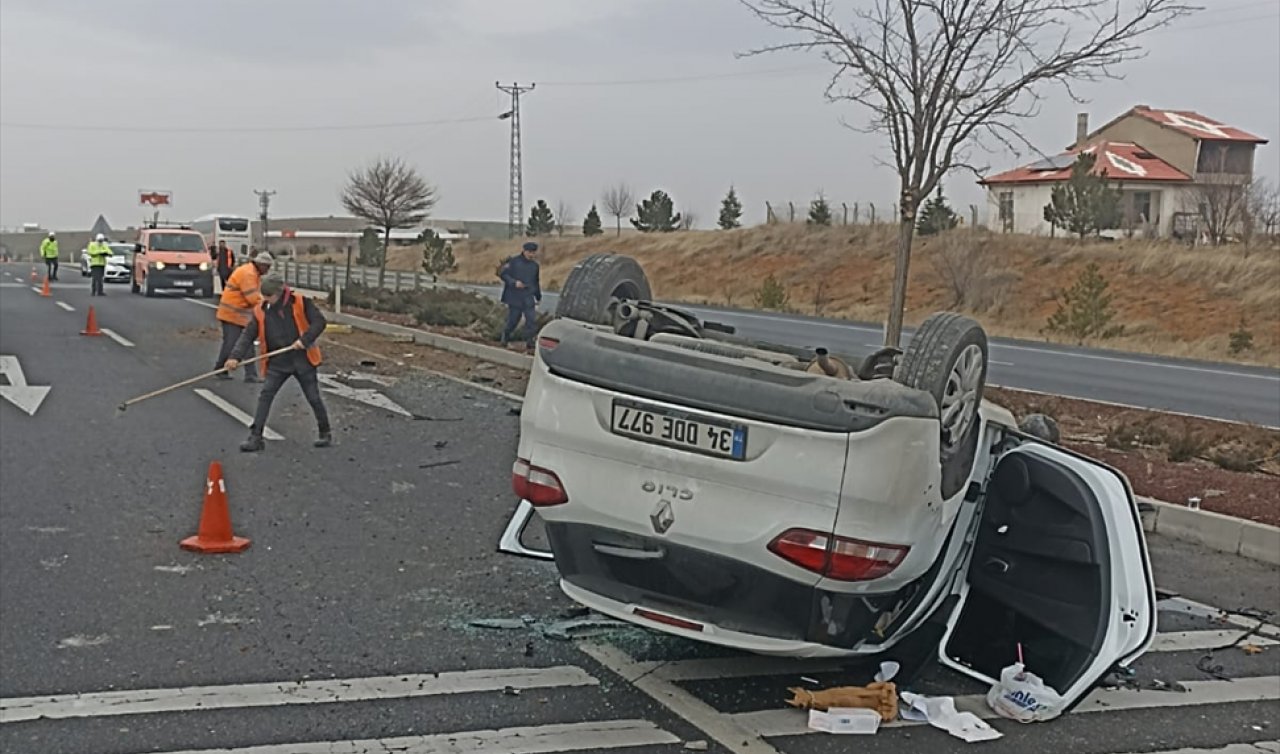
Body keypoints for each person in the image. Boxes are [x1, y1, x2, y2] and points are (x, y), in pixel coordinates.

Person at [223, 275, 331, 453]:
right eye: (264, 296)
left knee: (313, 397)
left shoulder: (301, 302)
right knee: (265, 396)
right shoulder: (261, 310)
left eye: (269, 297)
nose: (266, 300)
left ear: (280, 294)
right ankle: (255, 437)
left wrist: (304, 340)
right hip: (277, 362)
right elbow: (248, 335)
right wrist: (235, 357)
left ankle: (325, 432)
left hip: (302, 359)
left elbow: (320, 322)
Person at [214, 251, 273, 382]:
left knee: (247, 344)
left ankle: (250, 375)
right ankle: (221, 369)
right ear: (261, 265)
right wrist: (268, 305)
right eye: (267, 267)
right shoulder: (248, 274)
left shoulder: (252, 272)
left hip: (239, 315)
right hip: (232, 314)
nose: (267, 271)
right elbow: (252, 298)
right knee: (231, 344)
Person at [498, 241, 542, 350]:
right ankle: (505, 336)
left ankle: (529, 342)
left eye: (533, 253)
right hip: (514, 296)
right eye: (529, 252)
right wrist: (514, 282)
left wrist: (538, 296)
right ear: (524, 251)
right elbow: (503, 274)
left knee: (531, 320)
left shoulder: (535, 266)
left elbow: (536, 281)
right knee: (513, 320)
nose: (531, 255)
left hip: (528, 296)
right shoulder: (514, 261)